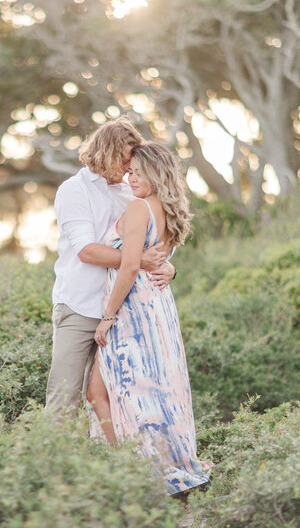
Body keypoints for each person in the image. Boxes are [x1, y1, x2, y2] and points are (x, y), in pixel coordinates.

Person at [87, 141, 211, 495]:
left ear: (158, 175)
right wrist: (171, 269)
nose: (132, 178)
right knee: (153, 390)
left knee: (110, 391)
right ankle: (150, 466)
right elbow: (156, 258)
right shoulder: (167, 212)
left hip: (132, 309)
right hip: (158, 308)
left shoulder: (140, 208)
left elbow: (128, 267)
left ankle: (136, 473)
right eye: (131, 172)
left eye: (140, 173)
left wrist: (108, 316)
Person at [46, 117, 176, 416]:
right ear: (108, 153)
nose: (131, 168)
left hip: (124, 310)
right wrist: (137, 261)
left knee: (118, 396)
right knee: (63, 397)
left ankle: (111, 460)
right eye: (126, 160)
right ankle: (51, 461)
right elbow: (86, 251)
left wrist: (169, 267)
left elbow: (152, 241)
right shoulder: (74, 190)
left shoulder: (132, 190)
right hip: (80, 306)